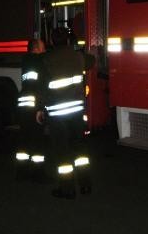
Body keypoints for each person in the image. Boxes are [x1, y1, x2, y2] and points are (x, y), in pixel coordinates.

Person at [39, 27, 95, 199]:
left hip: (58, 115)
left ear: (52, 41)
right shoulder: (78, 57)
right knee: (80, 150)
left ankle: (67, 189)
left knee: (62, 153)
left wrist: (41, 109)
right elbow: (91, 60)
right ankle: (85, 185)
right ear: (68, 40)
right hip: (77, 112)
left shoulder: (46, 60)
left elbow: (42, 88)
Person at [15, 38, 48, 182]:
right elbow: (40, 87)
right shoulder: (39, 61)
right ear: (36, 48)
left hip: (23, 105)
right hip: (34, 106)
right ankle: (38, 174)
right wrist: (40, 109)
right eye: (43, 46)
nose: (45, 49)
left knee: (24, 139)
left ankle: (21, 172)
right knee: (37, 141)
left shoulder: (26, 61)